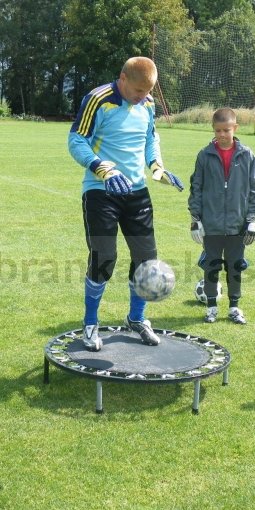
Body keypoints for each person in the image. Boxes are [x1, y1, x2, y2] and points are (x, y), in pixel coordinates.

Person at [68, 56, 184, 351]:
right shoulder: (98, 99)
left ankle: (137, 318)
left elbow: (150, 139)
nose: (143, 97)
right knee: (104, 257)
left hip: (137, 193)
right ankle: (90, 323)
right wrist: (102, 168)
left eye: (148, 92)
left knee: (146, 261)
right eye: (138, 91)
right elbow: (76, 140)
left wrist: (156, 166)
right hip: (101, 191)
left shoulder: (148, 105)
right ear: (122, 78)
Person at [188, 108, 255, 324]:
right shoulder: (204, 155)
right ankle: (211, 307)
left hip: (237, 225)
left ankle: (234, 307)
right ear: (213, 129)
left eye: (226, 130)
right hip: (210, 225)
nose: (222, 135)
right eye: (218, 130)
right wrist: (196, 219)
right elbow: (196, 187)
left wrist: (251, 220)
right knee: (211, 265)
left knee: (235, 265)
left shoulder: (247, 155)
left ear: (235, 128)